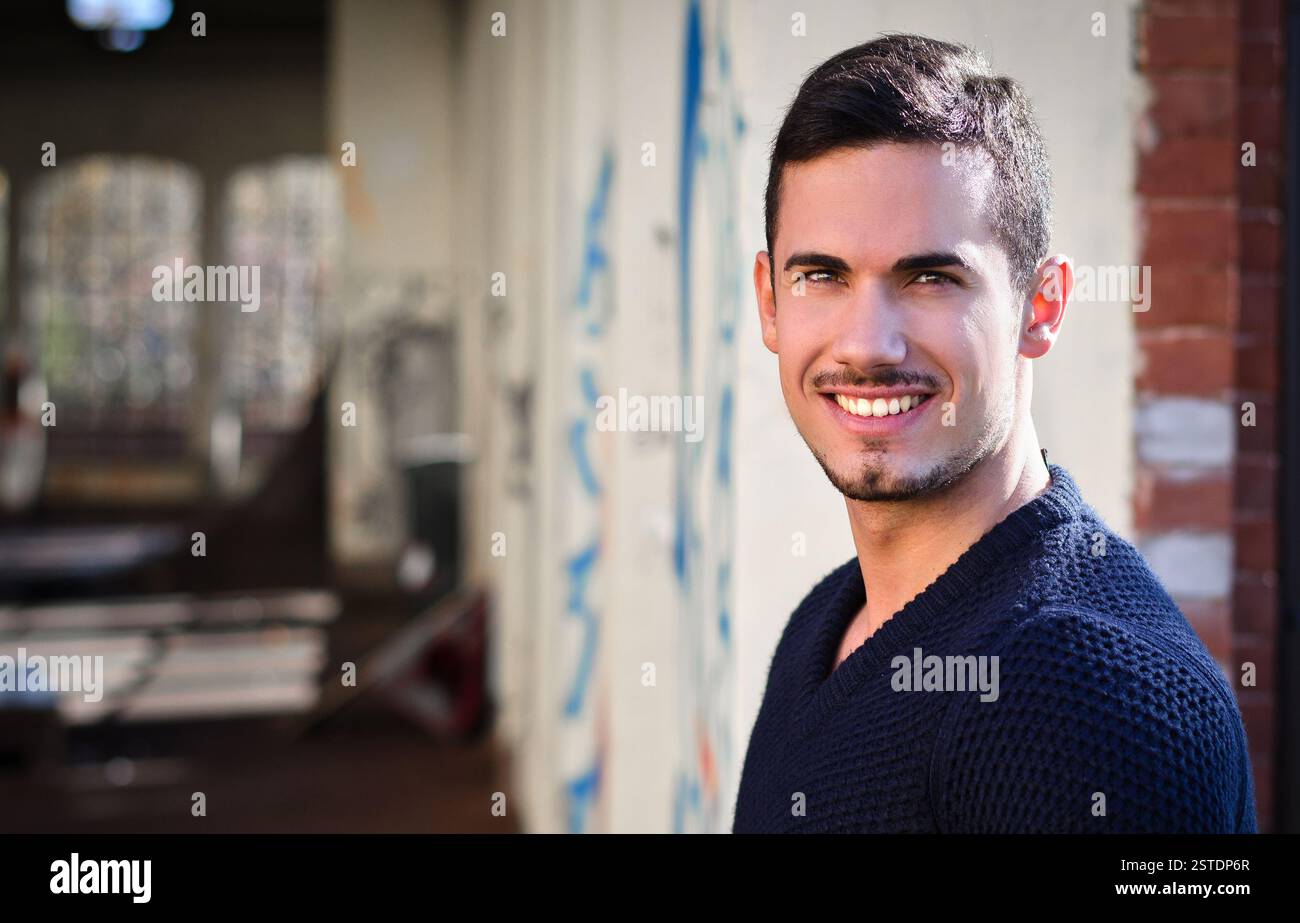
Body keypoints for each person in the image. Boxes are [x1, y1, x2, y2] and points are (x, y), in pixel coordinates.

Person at [732, 33, 1256, 833]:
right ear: (770, 301)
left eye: (931, 277)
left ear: (1040, 306)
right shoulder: (824, 625)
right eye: (823, 276)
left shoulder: (1091, 702)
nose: (868, 344)